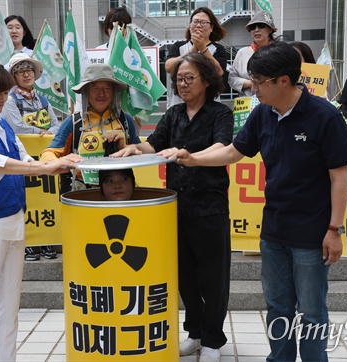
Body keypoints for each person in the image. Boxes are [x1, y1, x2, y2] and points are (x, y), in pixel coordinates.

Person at [171, 42, 347, 362]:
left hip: (312, 234)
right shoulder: (262, 114)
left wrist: (333, 229)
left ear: (283, 81)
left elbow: (340, 175)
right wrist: (193, 159)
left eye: (258, 81)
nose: (253, 87)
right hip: (274, 231)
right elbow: (233, 151)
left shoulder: (324, 116)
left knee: (312, 311)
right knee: (277, 306)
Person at [0, 59, 81, 362]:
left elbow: (24, 158)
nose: (1, 99)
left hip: (12, 217)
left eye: (5, 93)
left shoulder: (3, 123)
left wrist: (54, 163)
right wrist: (46, 168)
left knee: (10, 304)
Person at [112, 52, 233, 362]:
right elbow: (153, 144)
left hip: (210, 207)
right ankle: (194, 333)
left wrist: (192, 155)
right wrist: (133, 146)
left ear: (207, 81)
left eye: (189, 78)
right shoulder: (174, 114)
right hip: (176, 207)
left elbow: (222, 146)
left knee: (213, 278)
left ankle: (213, 340)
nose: (183, 84)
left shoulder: (220, 113)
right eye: (179, 79)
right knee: (185, 276)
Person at [41, 63, 141, 192]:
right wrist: (62, 162)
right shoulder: (73, 123)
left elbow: (140, 153)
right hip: (83, 193)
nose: (101, 94)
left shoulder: (125, 120)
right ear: (86, 91)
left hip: (119, 192)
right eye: (95, 88)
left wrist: (126, 148)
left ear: (114, 92)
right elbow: (48, 153)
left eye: (107, 88)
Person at [1, 53, 60, 260]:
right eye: (20, 71)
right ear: (13, 76)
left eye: (29, 70)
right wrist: (41, 133)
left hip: (44, 157)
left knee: (44, 198)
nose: (26, 74)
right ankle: (30, 243)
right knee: (28, 197)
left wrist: (48, 132)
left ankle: (46, 241)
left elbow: (56, 124)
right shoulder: (9, 100)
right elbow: (16, 126)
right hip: (22, 158)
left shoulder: (43, 99)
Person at [165, 7, 227, 108]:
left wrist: (203, 48)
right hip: (179, 105)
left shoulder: (218, 49)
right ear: (190, 26)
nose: (198, 25)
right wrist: (193, 50)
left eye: (203, 22)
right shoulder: (179, 46)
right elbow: (169, 67)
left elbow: (218, 72)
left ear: (211, 27)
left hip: (208, 108)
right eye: (195, 21)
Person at [228, 11, 276, 97]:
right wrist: (252, 83)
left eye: (261, 26)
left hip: (274, 100)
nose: (256, 30)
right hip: (246, 105)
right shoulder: (242, 53)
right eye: (253, 27)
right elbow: (231, 79)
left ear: (270, 29)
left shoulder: (278, 52)